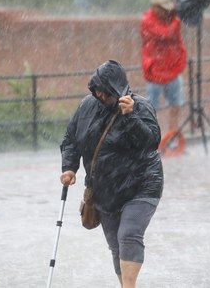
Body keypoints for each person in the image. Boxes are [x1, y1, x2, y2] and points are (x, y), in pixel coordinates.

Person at [59, 60, 163, 288]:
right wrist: (69, 167)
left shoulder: (139, 107)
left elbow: (151, 142)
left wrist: (130, 117)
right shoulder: (87, 107)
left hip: (142, 184)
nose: (100, 95)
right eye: (97, 90)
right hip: (105, 189)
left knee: (128, 235)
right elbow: (71, 140)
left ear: (118, 90)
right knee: (116, 245)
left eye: (106, 92)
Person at [140, 0, 187, 131]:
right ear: (154, 7)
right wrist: (176, 20)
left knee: (176, 104)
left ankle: (172, 136)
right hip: (155, 71)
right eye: (163, 9)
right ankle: (152, 138)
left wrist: (180, 59)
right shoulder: (147, 20)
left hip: (172, 68)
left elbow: (178, 40)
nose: (166, 11)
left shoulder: (171, 19)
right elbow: (164, 34)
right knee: (152, 108)